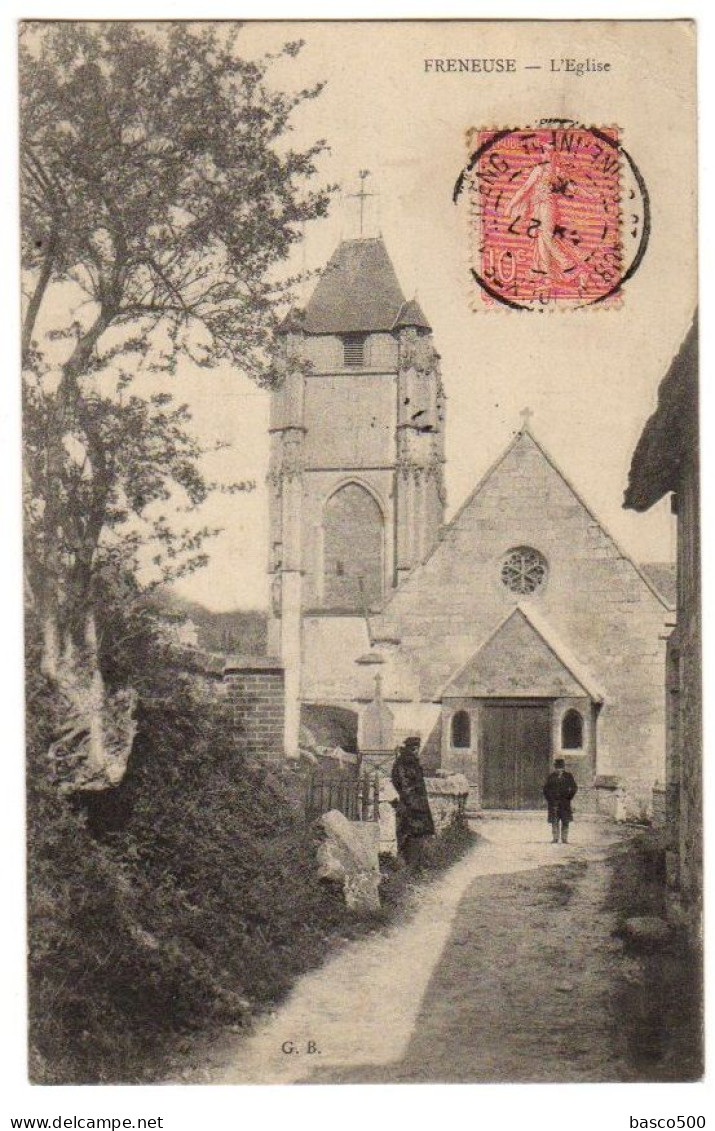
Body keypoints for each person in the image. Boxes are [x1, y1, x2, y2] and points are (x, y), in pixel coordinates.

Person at [391, 736, 435, 869]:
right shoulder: (405, 762)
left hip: (416, 802)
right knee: (409, 832)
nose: (416, 751)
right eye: (415, 748)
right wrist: (412, 801)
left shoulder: (411, 761)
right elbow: (403, 784)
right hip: (411, 804)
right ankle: (410, 864)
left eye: (417, 748)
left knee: (417, 832)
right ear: (412, 748)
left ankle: (417, 864)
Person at [543, 757, 578, 843]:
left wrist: (569, 797)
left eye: (561, 768)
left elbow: (574, 787)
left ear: (563, 768)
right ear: (555, 768)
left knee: (565, 820)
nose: (559, 770)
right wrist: (549, 798)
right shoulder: (551, 777)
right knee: (554, 821)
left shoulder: (568, 776)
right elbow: (545, 789)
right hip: (553, 802)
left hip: (565, 802)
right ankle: (555, 838)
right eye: (557, 768)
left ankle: (564, 838)